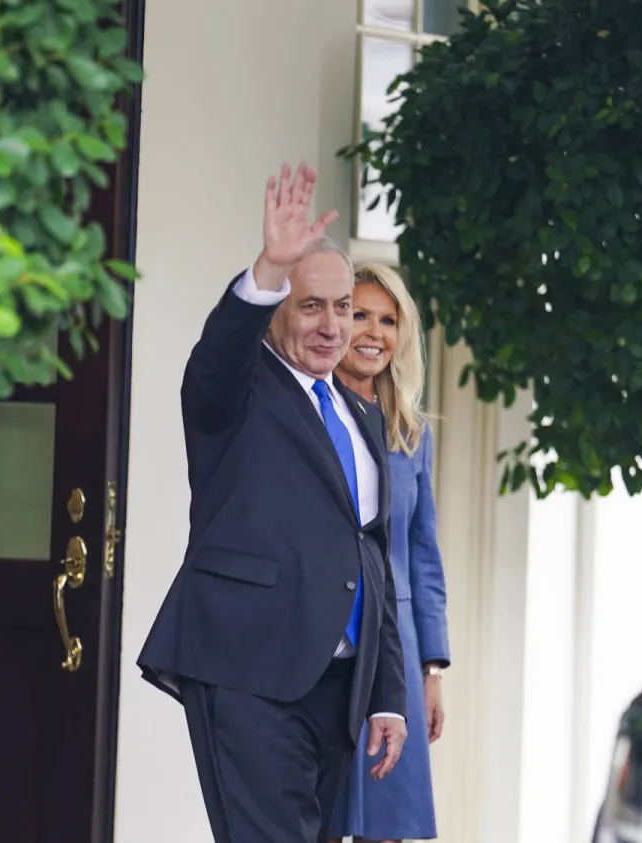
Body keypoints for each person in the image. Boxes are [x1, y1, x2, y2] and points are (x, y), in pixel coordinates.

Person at [136, 160, 410, 843]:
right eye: (309, 305)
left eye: (341, 306)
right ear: (278, 310)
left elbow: (372, 553)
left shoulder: (359, 412)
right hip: (250, 672)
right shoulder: (239, 389)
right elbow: (216, 358)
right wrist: (266, 269)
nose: (331, 325)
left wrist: (387, 694)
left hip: (338, 689)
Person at [328, 263, 450, 843]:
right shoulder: (309, 414)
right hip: (324, 645)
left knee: (387, 825)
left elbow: (423, 556)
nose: (373, 331)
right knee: (317, 817)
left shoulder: (413, 434)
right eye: (359, 314)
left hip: (395, 654)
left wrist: (432, 669)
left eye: (388, 319)